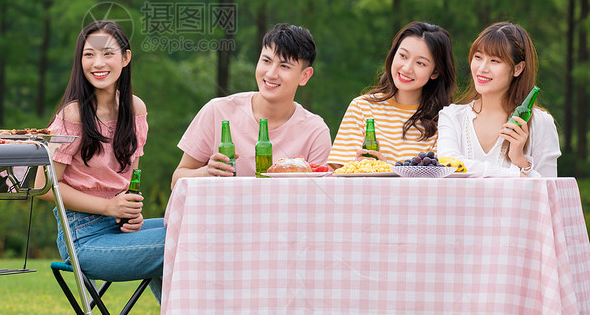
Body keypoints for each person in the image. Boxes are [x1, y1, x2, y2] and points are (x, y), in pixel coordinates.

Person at [35, 21, 165, 303]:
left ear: (125, 58)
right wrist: (108, 206)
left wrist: (131, 212)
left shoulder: (135, 109)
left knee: (190, 226)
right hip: (83, 239)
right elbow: (44, 186)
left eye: (107, 53)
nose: (98, 63)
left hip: (119, 229)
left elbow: (130, 184)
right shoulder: (74, 115)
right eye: (88, 54)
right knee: (182, 243)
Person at [171, 23, 331, 187]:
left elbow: (319, 199)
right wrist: (205, 172)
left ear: (304, 76)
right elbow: (177, 179)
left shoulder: (315, 131)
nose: (270, 73)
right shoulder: (217, 111)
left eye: (284, 66)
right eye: (266, 61)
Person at [437, 22, 560, 177]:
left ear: (518, 68)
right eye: (478, 57)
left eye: (494, 61)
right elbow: (449, 164)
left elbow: (549, 191)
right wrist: (516, 175)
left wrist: (520, 160)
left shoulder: (540, 122)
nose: (482, 68)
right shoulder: (452, 116)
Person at [328, 21, 457, 167]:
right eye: (403, 56)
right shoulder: (362, 108)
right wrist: (356, 166)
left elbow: (439, 178)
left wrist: (385, 169)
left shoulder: (444, 120)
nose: (407, 68)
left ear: (435, 72)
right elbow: (337, 170)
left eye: (420, 63)